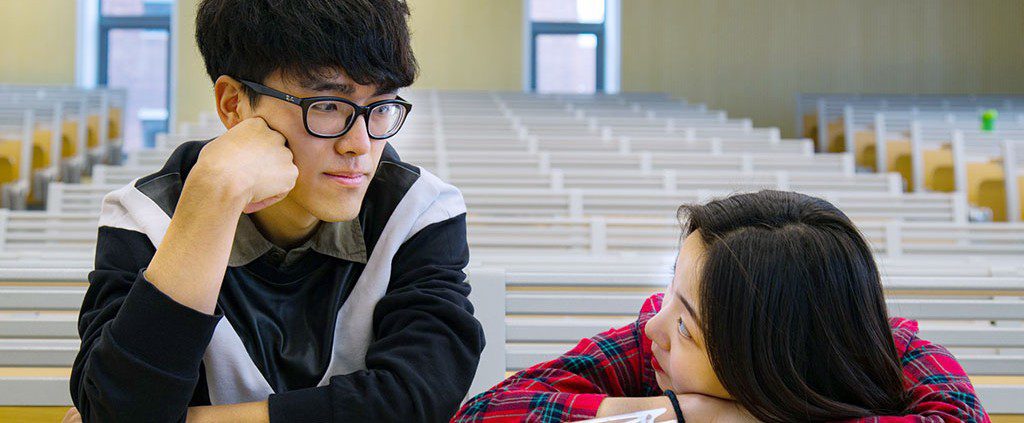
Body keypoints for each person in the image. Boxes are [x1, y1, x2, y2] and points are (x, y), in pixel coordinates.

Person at [68, 1, 483, 421]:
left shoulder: (418, 210)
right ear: (233, 104)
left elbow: (416, 399)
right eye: (325, 106)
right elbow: (119, 408)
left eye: (381, 106)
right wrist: (212, 200)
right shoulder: (145, 218)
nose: (358, 143)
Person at [454, 190, 988, 422]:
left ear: (770, 363)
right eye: (670, 293)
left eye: (688, 328)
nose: (655, 328)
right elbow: (488, 413)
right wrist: (687, 414)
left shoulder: (886, 351)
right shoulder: (655, 347)